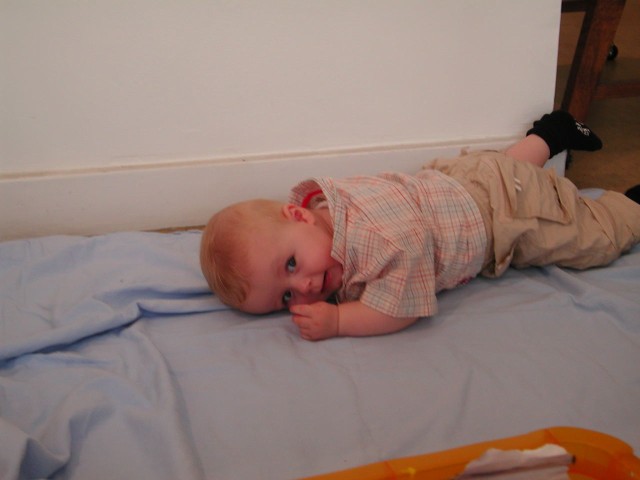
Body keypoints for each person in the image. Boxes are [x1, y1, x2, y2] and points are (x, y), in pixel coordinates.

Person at [200, 111, 640, 341]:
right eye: (286, 298)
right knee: (508, 167)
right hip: (465, 177)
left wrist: (338, 321)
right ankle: (551, 133)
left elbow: (400, 309)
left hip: (504, 216)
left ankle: (633, 206)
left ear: (298, 216)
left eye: (292, 265)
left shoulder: (380, 244)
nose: (307, 287)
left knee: (593, 239)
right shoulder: (326, 206)